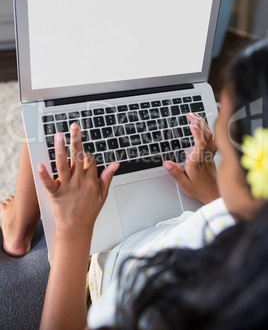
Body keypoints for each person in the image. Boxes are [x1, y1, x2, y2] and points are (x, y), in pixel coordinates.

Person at [0, 38, 268, 329]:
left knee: (48, 105)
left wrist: (72, 229)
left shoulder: (173, 305)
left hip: (100, 269)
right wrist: (215, 195)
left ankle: (17, 231)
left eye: (224, 156)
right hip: (170, 229)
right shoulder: (249, 225)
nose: (218, 159)